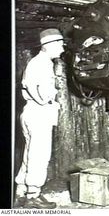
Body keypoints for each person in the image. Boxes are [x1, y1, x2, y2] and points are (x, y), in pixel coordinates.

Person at [14, 28, 65, 209]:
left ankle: (20, 192)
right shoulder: (42, 64)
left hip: (31, 113)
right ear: (49, 45)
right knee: (40, 154)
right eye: (59, 44)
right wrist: (56, 85)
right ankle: (33, 196)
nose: (62, 48)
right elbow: (43, 97)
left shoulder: (36, 63)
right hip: (40, 113)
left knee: (30, 153)